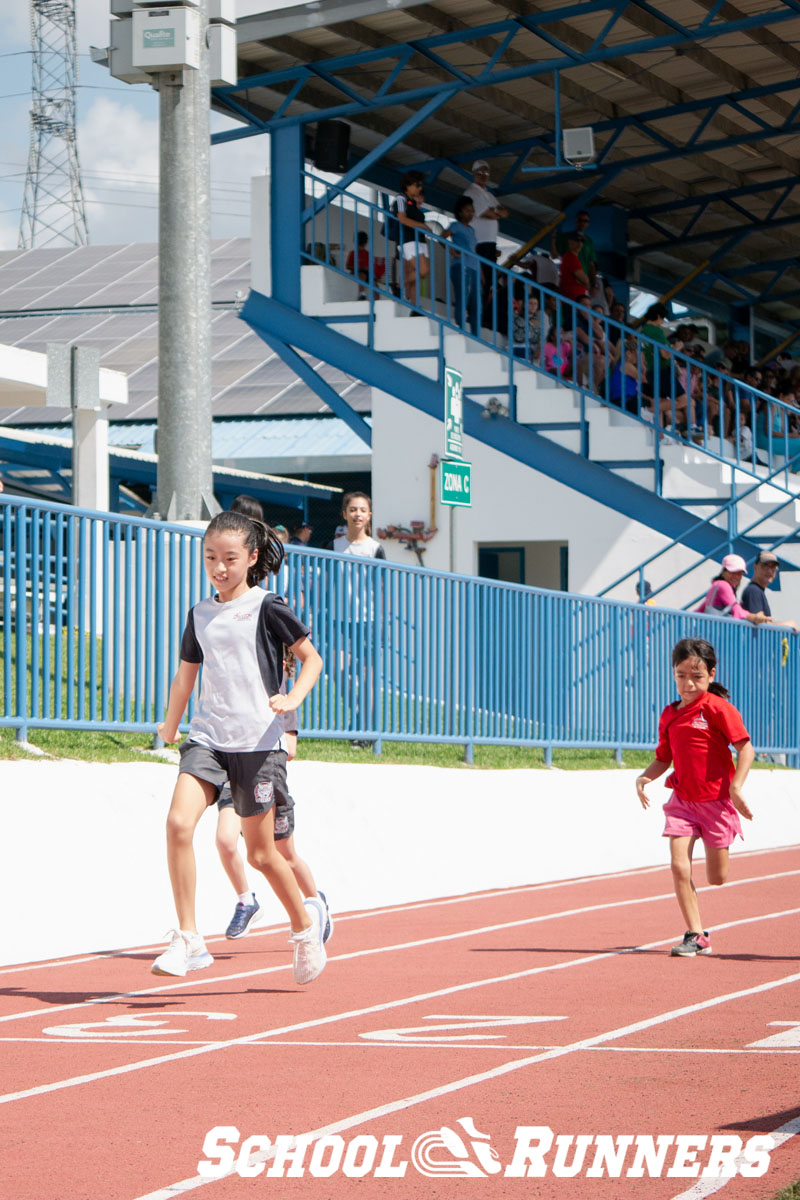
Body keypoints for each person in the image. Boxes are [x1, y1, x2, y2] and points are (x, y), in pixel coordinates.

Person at [152, 510, 326, 985]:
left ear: (252, 558)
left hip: (258, 744)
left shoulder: (269, 605)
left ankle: (304, 927)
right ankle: (188, 938)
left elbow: (312, 660)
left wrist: (292, 699)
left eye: (230, 558)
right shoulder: (200, 614)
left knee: (262, 855)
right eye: (211, 557)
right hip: (208, 738)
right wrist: (170, 725)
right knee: (177, 823)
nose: (219, 567)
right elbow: (186, 676)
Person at [636, 637, 754, 956]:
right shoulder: (669, 714)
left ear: (711, 674)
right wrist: (645, 777)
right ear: (673, 674)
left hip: (716, 803)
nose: (688, 683)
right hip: (683, 802)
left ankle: (701, 922)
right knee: (678, 866)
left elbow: (745, 748)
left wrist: (736, 787)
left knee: (717, 878)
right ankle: (696, 935)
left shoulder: (719, 709)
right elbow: (664, 756)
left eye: (697, 676)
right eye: (681, 675)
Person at [464, 160, 508, 317]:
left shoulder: (488, 195)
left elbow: (505, 213)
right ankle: (473, 313)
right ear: (474, 174)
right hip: (478, 243)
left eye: (486, 173)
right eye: (480, 173)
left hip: (489, 244)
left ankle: (481, 313)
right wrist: (495, 212)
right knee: (480, 279)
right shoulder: (471, 192)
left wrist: (493, 210)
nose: (484, 176)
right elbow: (485, 213)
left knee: (488, 281)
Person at [694, 554, 770, 625]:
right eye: (733, 572)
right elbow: (737, 611)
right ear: (723, 571)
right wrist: (756, 617)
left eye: (740, 573)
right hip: (718, 634)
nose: (736, 576)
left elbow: (699, 610)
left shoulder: (716, 585)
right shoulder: (723, 585)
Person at [394, 171, 430, 311]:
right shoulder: (400, 198)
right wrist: (423, 226)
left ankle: (414, 305)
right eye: (417, 185)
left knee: (415, 276)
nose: (419, 188)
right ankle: (399, 285)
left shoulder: (413, 203)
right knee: (423, 270)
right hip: (408, 241)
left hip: (418, 241)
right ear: (408, 185)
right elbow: (402, 219)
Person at [740, 551, 799, 633]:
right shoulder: (753, 590)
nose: (769, 571)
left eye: (773, 567)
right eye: (765, 566)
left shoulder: (758, 590)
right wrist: (787, 625)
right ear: (755, 567)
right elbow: (761, 623)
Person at [449, 195, 480, 335]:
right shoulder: (455, 226)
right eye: (467, 210)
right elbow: (442, 237)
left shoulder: (472, 230)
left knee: (476, 304)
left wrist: (482, 273)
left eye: (472, 210)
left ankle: (475, 334)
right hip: (461, 266)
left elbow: (474, 252)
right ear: (460, 212)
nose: (471, 213)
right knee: (463, 299)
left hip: (474, 269)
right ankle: (461, 330)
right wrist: (453, 251)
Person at [333, 491, 386, 559]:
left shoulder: (376, 549)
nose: (358, 514)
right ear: (345, 514)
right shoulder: (334, 546)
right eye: (352, 510)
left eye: (363, 510)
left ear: (369, 516)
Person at [558, 231, 589, 302]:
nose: (580, 243)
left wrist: (584, 283)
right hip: (572, 299)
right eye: (577, 240)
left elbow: (585, 282)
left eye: (582, 241)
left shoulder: (574, 258)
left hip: (576, 300)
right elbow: (586, 280)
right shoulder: (570, 257)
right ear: (570, 241)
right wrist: (584, 283)